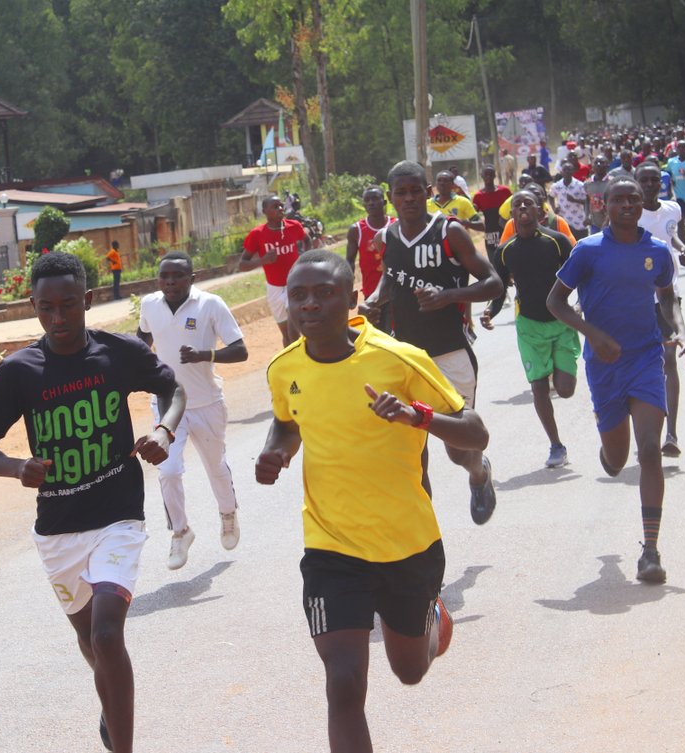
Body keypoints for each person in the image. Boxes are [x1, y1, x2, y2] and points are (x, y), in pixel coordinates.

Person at [256, 249, 488, 753]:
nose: (309, 305)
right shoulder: (283, 368)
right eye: (298, 296)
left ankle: (430, 619)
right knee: (343, 684)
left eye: (324, 293)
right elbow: (288, 421)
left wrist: (417, 417)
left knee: (410, 671)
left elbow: (475, 432)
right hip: (331, 546)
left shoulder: (399, 359)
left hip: (407, 543)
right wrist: (275, 452)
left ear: (352, 299)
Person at [0, 252, 186, 753]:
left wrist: (163, 428)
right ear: (34, 307)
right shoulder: (19, 371)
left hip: (118, 514)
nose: (59, 318)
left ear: (87, 300)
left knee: (108, 636)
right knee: (92, 644)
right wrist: (16, 468)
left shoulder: (118, 352)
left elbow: (171, 390)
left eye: (69, 305)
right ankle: (113, 706)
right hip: (59, 529)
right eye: (47, 308)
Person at [545, 178, 685, 584]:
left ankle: (650, 550)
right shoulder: (587, 250)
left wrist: (676, 329)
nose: (627, 204)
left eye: (633, 198)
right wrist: (591, 333)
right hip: (604, 364)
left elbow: (666, 295)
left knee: (649, 451)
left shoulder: (657, 252)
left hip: (645, 357)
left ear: (642, 202)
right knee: (616, 460)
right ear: (603, 205)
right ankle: (608, 454)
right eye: (618, 199)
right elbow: (555, 301)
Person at [360, 160, 502, 525]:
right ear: (391, 198)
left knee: (458, 449)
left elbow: (493, 283)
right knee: (411, 452)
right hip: (404, 356)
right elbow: (391, 281)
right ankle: (424, 541)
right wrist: (376, 299)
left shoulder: (449, 232)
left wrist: (448, 295)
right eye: (401, 193)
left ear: (427, 192)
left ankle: (479, 472)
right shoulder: (387, 237)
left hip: (449, 351)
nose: (408, 198)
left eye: (414, 191)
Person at [137, 251, 247, 570]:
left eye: (178, 276)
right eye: (164, 276)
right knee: (168, 471)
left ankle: (227, 514)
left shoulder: (210, 305)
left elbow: (240, 350)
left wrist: (203, 354)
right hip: (167, 404)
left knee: (216, 467)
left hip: (206, 403)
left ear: (192, 278)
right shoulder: (149, 305)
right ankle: (180, 531)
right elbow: (143, 336)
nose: (170, 282)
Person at [481, 190, 578, 468]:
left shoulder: (557, 242)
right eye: (517, 204)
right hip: (529, 326)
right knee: (538, 387)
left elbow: (579, 273)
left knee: (566, 389)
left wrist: (582, 303)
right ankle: (556, 446)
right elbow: (500, 291)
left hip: (560, 322)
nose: (522, 207)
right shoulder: (505, 251)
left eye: (528, 203)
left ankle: (561, 374)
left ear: (540, 212)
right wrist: (491, 310)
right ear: (511, 215)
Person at [634, 163, 685, 458]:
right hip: (635, 300)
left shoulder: (673, 208)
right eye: (643, 180)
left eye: (654, 179)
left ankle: (671, 434)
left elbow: (673, 237)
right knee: (644, 367)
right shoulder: (629, 214)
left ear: (662, 183)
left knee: (669, 361)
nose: (649, 184)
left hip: (668, 296)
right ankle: (645, 432)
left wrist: (683, 249)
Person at [239, 194, 309, 347]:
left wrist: (305, 257)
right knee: (286, 335)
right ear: (265, 211)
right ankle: (291, 365)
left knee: (293, 328)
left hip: (295, 284)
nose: (280, 209)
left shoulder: (294, 226)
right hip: (274, 288)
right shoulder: (257, 234)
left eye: (281, 205)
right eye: (275, 206)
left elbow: (306, 239)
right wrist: (263, 260)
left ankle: (305, 362)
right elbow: (242, 264)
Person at [344, 185, 396, 322]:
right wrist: (348, 288)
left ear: (384, 202)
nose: (371, 203)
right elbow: (349, 261)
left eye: (375, 199)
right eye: (367, 200)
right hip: (372, 296)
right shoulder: (357, 230)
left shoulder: (396, 226)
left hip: (396, 293)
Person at [471, 164, 513, 262]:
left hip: (506, 230)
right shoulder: (478, 196)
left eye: (491, 174)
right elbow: (473, 215)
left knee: (508, 259)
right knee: (494, 261)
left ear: (495, 176)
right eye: (486, 174)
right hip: (490, 233)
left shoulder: (504, 191)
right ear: (482, 176)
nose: (488, 177)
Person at [549, 160, 589, 238]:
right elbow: (550, 196)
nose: (567, 171)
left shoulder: (580, 185)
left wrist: (575, 200)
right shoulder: (556, 186)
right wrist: (554, 208)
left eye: (569, 169)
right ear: (561, 172)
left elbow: (587, 201)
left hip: (579, 221)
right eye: (565, 169)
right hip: (564, 220)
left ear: (573, 171)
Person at [584, 155, 612, 234]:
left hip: (611, 224)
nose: (598, 164)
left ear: (607, 165)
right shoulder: (587, 183)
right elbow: (587, 200)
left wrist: (607, 220)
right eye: (596, 162)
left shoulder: (612, 182)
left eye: (602, 162)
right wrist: (587, 216)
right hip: (594, 224)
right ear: (592, 166)